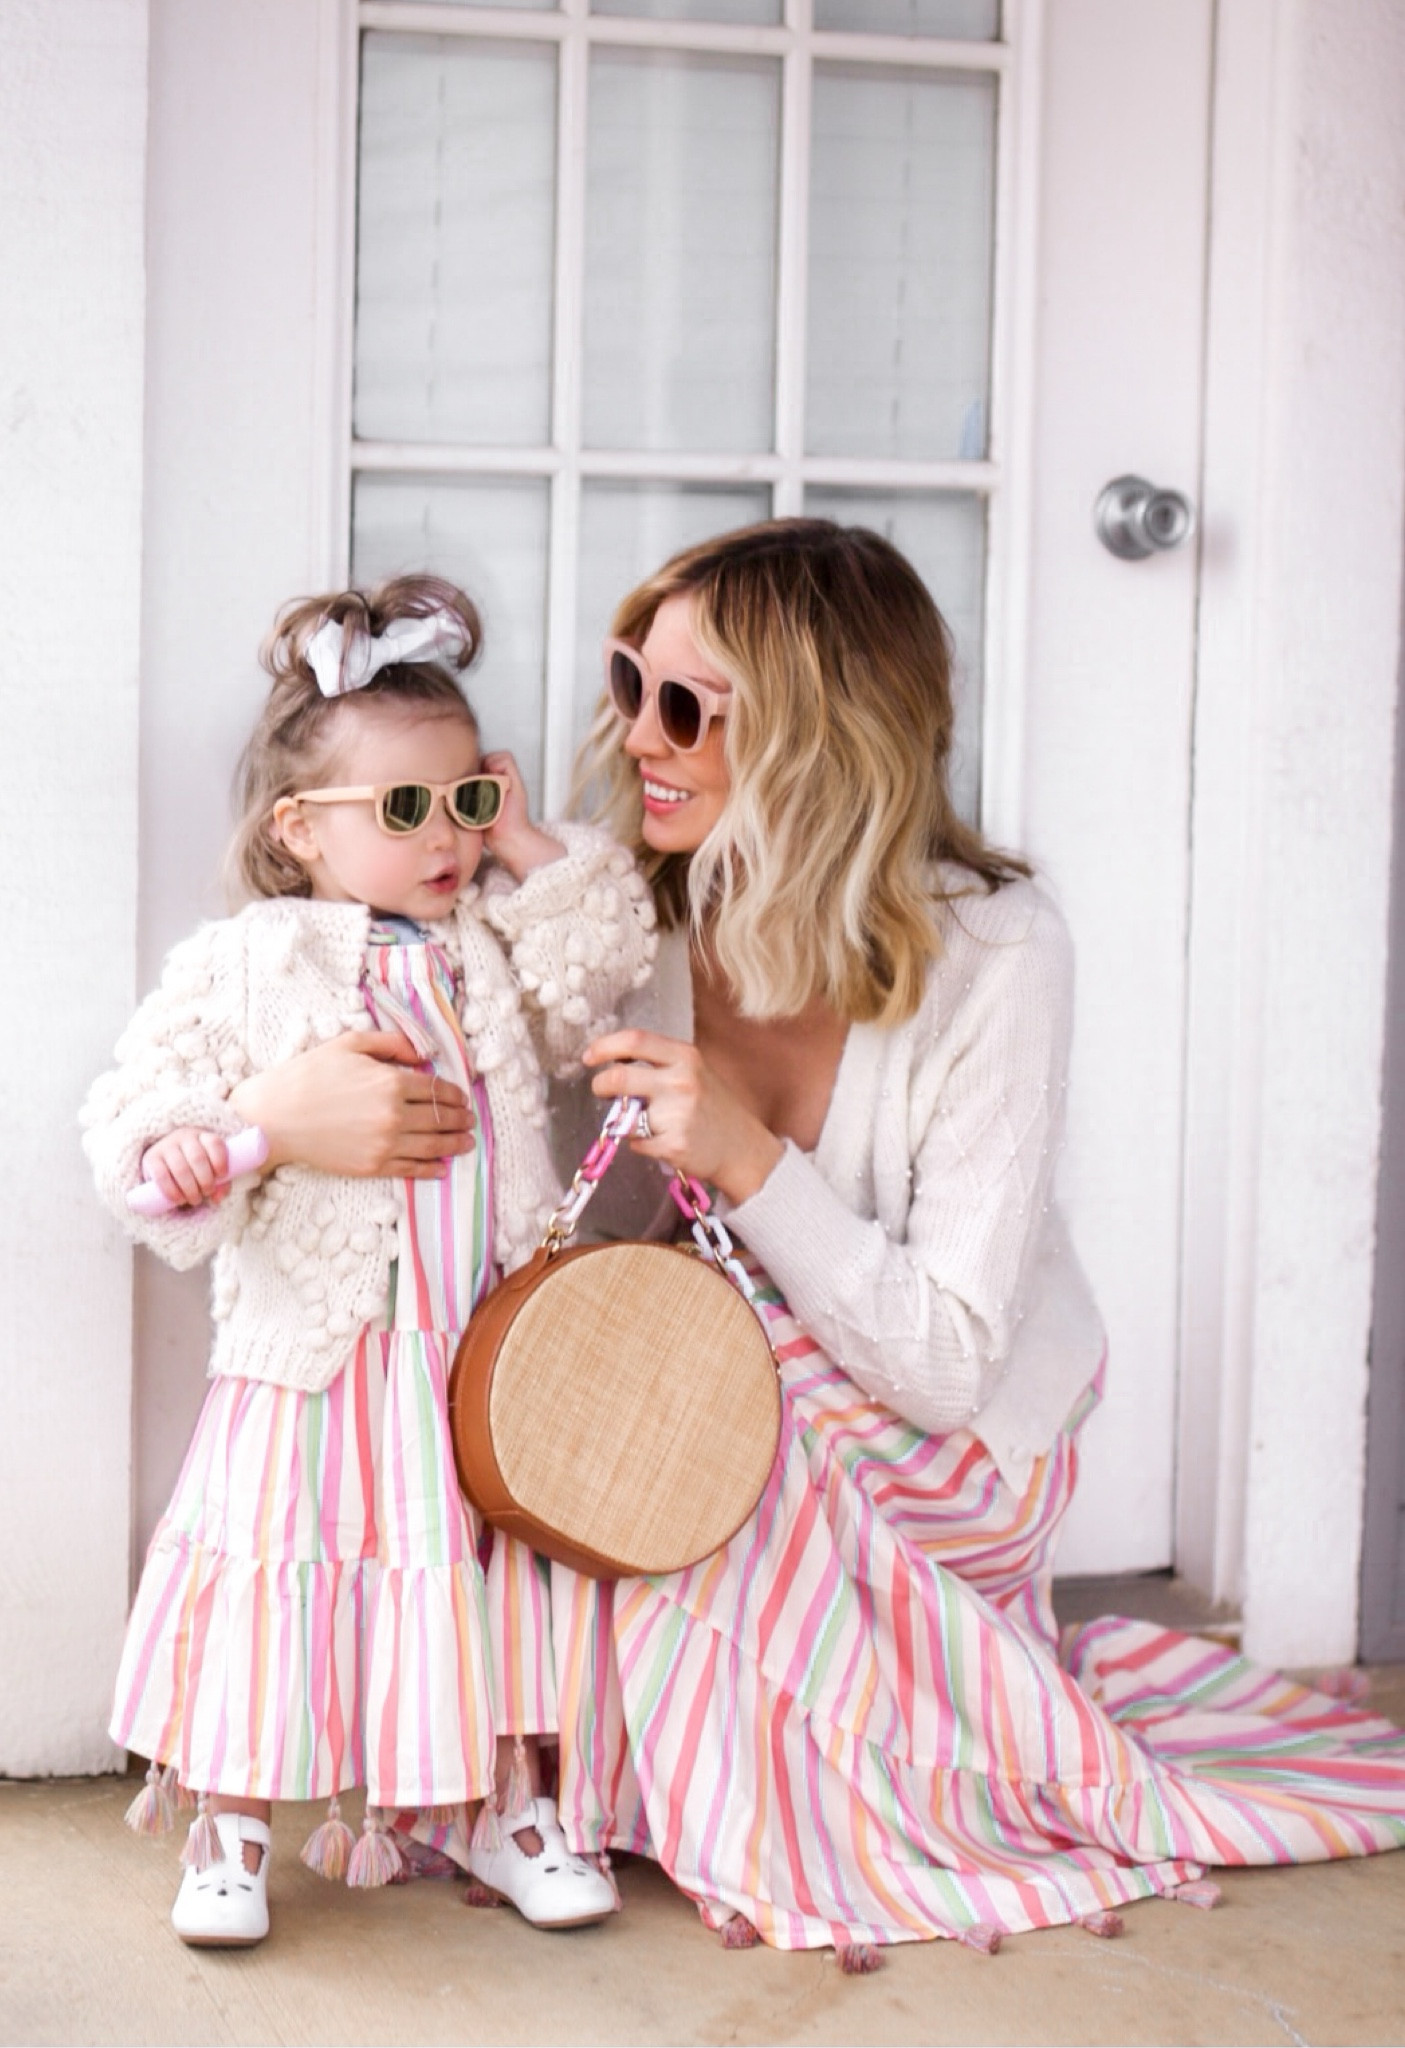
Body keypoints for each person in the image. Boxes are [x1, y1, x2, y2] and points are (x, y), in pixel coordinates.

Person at [539, 517, 1405, 1959]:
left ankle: (785, 1812)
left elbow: (945, 1362)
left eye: (689, 706)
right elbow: (591, 1256)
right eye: (632, 683)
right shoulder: (632, 916)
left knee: (728, 1374)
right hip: (734, 1420)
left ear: (821, 735)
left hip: (946, 1445)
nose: (640, 736)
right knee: (662, 1367)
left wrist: (747, 1158)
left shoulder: (998, 948)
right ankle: (709, 1768)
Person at [82, 574, 655, 1947]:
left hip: (474, 1347)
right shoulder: (252, 958)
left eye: (463, 799)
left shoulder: (486, 950)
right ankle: (227, 1820)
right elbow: (135, 1120)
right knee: (282, 1572)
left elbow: (606, 955)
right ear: (299, 831)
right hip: (320, 1357)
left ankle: (503, 1805)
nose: (443, 835)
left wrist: (524, 841)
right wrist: (218, 1141)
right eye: (405, 810)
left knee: (481, 1576)